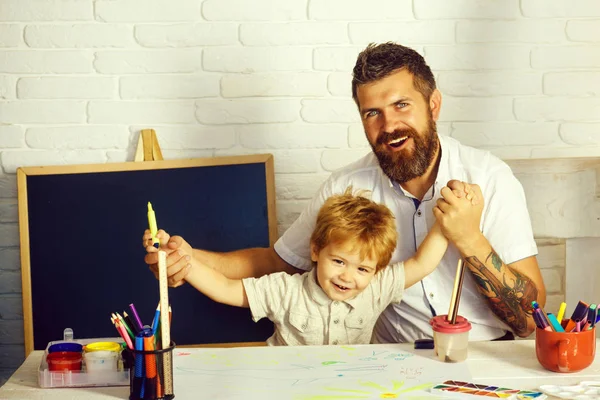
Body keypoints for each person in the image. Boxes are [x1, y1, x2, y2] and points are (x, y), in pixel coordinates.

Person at [143, 42, 546, 342]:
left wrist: (469, 238)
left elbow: (530, 322)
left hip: (484, 355)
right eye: (373, 113)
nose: (389, 125)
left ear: (433, 104)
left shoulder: (490, 178)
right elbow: (278, 264)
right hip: (388, 360)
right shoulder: (346, 188)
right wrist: (189, 259)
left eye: (402, 105)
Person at [153, 186, 481, 346]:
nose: (347, 276)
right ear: (315, 251)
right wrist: (186, 260)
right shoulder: (285, 289)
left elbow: (422, 263)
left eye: (362, 269)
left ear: (375, 270)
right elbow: (226, 288)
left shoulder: (377, 286)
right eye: (338, 261)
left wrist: (446, 222)